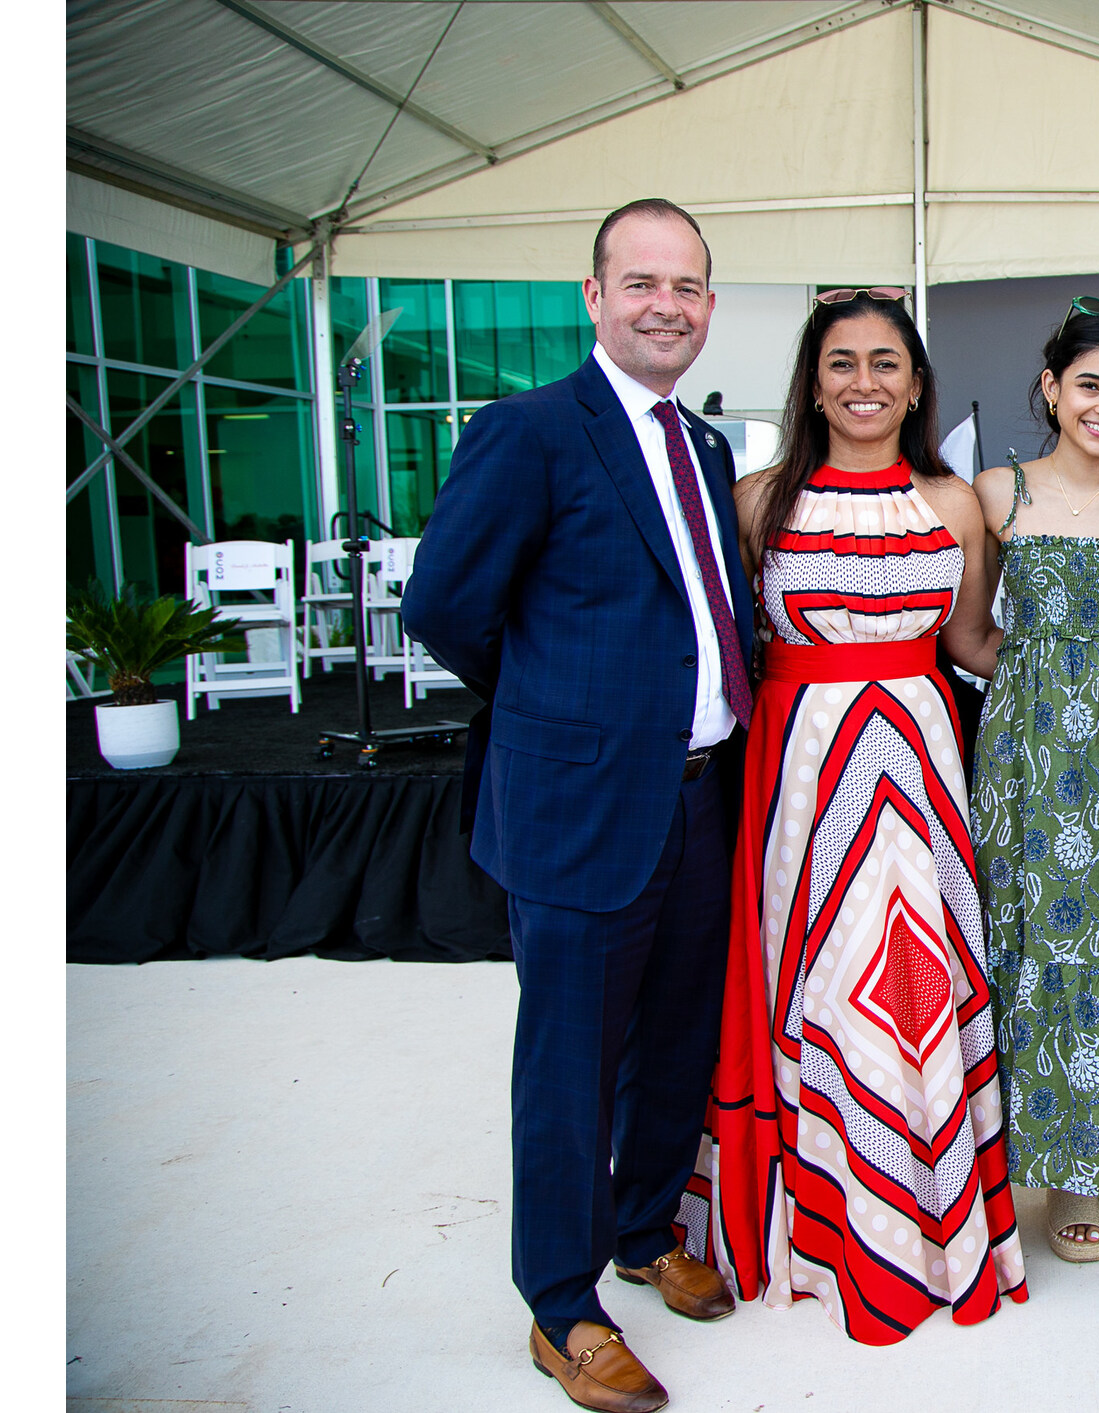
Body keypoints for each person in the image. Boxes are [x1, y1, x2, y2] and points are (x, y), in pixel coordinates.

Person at [402, 199, 750, 1413]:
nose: (667, 304)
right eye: (642, 281)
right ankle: (560, 1307)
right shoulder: (531, 430)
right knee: (566, 1064)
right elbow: (445, 608)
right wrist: (562, 714)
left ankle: (644, 1230)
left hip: (705, 800)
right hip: (580, 806)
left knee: (673, 1041)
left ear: (710, 306)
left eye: (690, 286)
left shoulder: (707, 452)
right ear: (592, 297)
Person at [686, 289, 1028, 1344]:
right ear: (813, 380)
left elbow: (972, 645)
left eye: (887, 363)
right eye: (843, 362)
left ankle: (931, 1215)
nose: (865, 382)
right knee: (827, 980)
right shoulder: (753, 502)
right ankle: (831, 1228)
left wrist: (1088, 687)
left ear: (916, 384)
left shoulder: (957, 503)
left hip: (923, 766)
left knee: (921, 983)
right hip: (799, 773)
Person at [967, 299, 1099, 1265]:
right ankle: (1055, 1164)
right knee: (1035, 943)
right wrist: (1046, 680)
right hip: (1025, 756)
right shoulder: (995, 491)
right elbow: (966, 631)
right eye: (1091, 385)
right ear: (1052, 388)